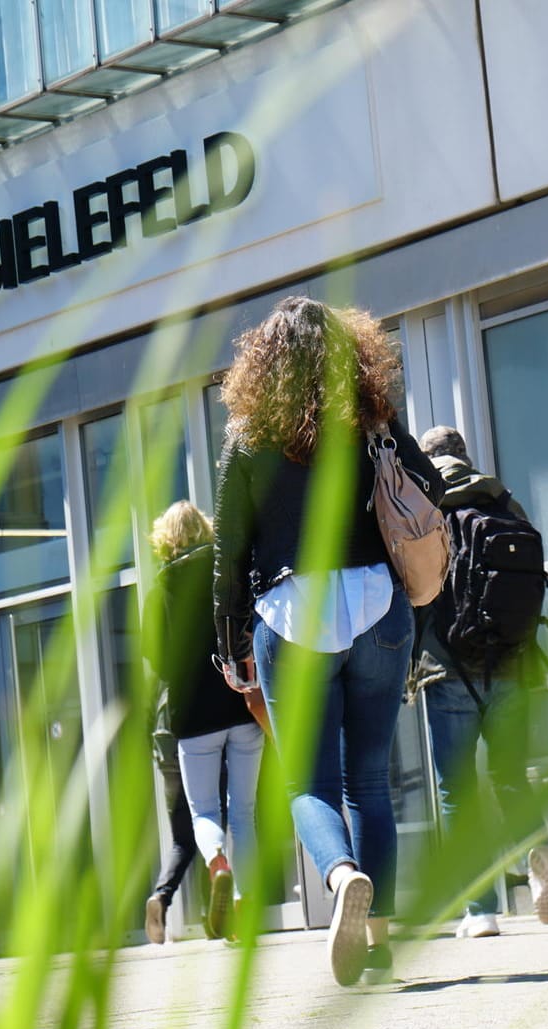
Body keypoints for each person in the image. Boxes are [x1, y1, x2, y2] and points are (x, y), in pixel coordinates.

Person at [213, 296, 444, 987]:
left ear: (264, 360)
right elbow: (428, 489)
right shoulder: (373, 421)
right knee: (370, 781)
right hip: (380, 606)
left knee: (308, 783)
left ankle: (342, 877)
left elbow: (229, 549)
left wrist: (229, 641)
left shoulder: (251, 435)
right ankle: (378, 943)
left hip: (293, 613)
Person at [410, 425, 548, 939]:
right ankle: (537, 851)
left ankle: (481, 912)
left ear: (429, 462)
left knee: (458, 791)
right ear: (465, 457)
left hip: (449, 667)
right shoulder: (505, 504)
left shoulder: (426, 510)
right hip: (511, 663)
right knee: (510, 777)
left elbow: (417, 594)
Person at [144, 500, 261, 942]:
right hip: (239, 704)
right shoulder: (222, 576)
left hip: (192, 718)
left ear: (165, 539)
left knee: (204, 810)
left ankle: (217, 863)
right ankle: (244, 901)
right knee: (245, 813)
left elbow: (156, 659)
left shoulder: (159, 591)